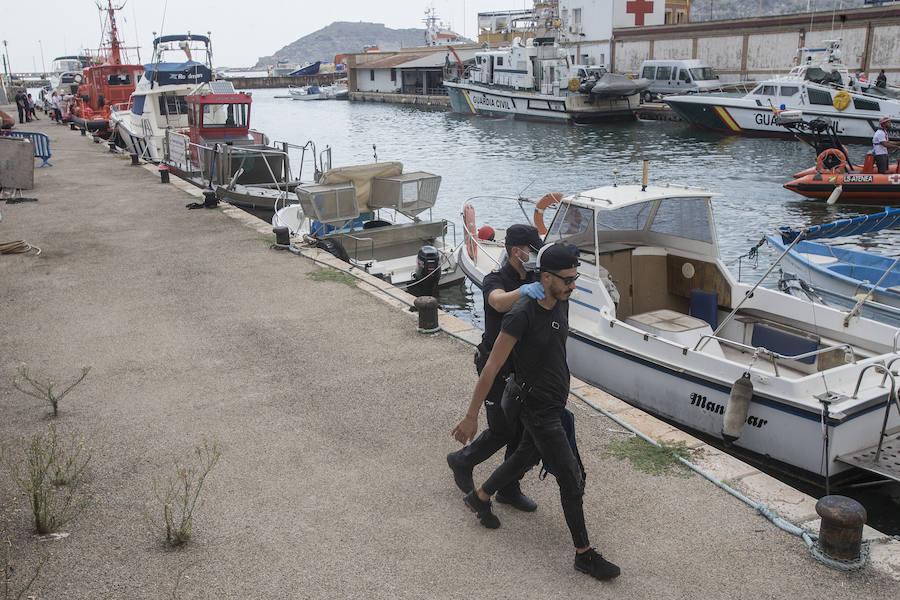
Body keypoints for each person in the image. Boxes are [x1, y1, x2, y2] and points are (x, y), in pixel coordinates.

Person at [451, 243, 621, 582]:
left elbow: (554, 351)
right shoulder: (521, 314)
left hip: (554, 403)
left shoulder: (561, 301)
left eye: (575, 278)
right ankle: (584, 555)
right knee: (571, 481)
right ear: (546, 277)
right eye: (568, 279)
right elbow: (493, 367)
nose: (573, 285)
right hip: (536, 408)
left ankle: (480, 496)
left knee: (526, 455)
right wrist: (471, 415)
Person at [447, 224, 545, 514]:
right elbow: (497, 302)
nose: (536, 254)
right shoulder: (496, 279)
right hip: (495, 363)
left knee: (523, 430)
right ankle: (462, 460)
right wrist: (523, 291)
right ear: (517, 251)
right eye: (533, 249)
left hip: (523, 368)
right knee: (502, 428)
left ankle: (509, 487)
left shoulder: (538, 276)